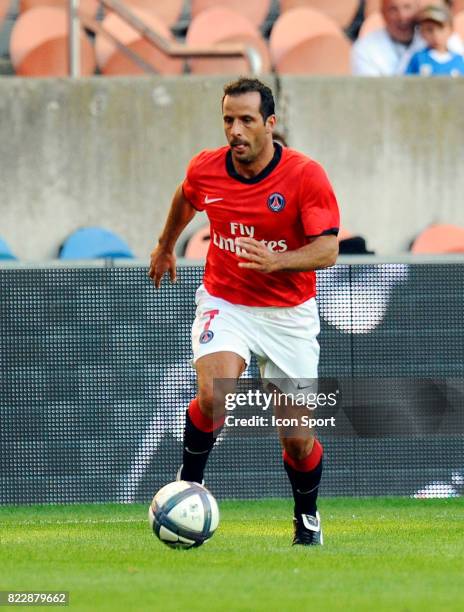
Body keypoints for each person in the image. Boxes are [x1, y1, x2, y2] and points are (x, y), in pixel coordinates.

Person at [148, 78, 340, 547]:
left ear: (269, 124)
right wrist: (165, 246)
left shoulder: (304, 175)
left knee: (297, 438)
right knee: (215, 393)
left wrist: (279, 260)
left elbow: (328, 249)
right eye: (228, 119)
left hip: (288, 313)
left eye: (246, 120)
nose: (235, 130)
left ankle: (307, 519)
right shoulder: (207, 169)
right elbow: (186, 196)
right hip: (226, 300)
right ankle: (188, 484)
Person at [352, 0, 463, 76]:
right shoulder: (365, 48)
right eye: (393, 9)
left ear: (417, 8)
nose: (402, 16)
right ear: (383, 14)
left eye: (407, 7)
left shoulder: (444, 38)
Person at [405, 5, 464, 75]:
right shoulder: (418, 58)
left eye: (440, 28)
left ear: (451, 30)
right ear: (421, 32)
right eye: (429, 29)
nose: (435, 34)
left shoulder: (459, 60)